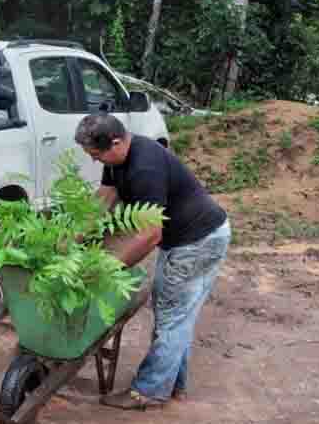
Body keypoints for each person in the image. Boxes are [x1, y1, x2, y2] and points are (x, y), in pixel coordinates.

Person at [73, 113, 230, 410]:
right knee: (175, 312)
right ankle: (174, 385)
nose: (94, 161)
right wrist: (75, 237)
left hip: (198, 241)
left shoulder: (145, 167)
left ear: (117, 142)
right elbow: (104, 199)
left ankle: (148, 391)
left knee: (171, 315)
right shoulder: (116, 159)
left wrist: (110, 268)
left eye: (96, 154)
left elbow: (149, 234)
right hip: (186, 239)